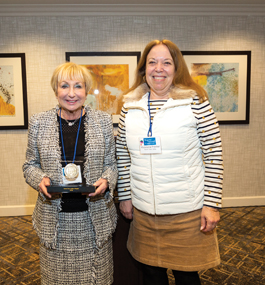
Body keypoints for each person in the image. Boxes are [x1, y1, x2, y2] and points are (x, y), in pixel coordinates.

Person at [116, 39, 223, 285]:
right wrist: (125, 196)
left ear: (177, 68)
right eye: (152, 62)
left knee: (187, 275)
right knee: (152, 274)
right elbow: (122, 153)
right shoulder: (129, 106)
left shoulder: (195, 101)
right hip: (144, 212)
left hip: (185, 211)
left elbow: (214, 153)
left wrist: (212, 204)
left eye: (167, 62)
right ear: (144, 69)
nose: (159, 68)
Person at [23, 62, 117, 285]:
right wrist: (40, 180)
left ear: (86, 90)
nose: (72, 93)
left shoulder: (103, 121)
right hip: (55, 221)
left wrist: (106, 180)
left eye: (78, 86)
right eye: (65, 86)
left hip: (94, 220)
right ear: (56, 89)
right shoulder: (39, 122)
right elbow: (29, 165)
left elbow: (112, 164)